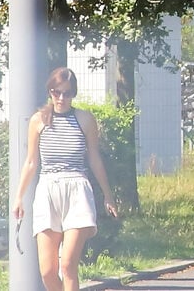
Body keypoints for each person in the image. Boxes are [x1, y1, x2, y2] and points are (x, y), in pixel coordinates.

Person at [11, 67, 118, 291]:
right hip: (48, 190)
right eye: (56, 92)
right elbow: (31, 162)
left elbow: (95, 159)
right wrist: (19, 198)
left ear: (73, 94)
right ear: (50, 92)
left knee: (68, 265)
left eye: (67, 93)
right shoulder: (38, 121)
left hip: (77, 189)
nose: (61, 98)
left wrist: (108, 195)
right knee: (48, 272)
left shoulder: (85, 120)